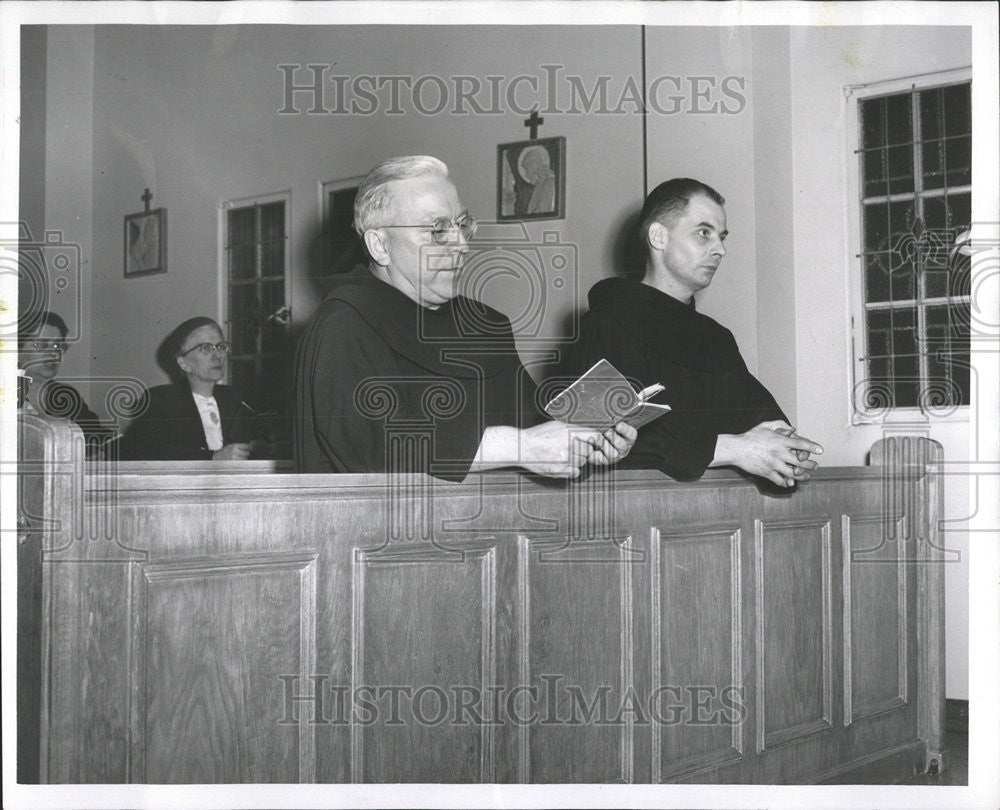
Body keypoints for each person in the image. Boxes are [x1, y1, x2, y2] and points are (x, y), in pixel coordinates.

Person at [295, 155, 635, 481]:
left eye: (461, 224)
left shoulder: (484, 324)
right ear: (379, 245)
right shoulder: (344, 323)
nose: (461, 244)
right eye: (437, 230)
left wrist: (588, 441)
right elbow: (375, 446)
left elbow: (534, 426)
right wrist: (521, 447)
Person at [558, 178, 822, 488]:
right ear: (659, 237)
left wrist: (785, 448)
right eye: (703, 233)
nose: (720, 249)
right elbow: (591, 440)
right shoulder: (607, 323)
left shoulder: (716, 338)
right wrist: (732, 449)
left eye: (721, 237)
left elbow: (760, 420)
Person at [119, 317, 260, 460]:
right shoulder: (161, 401)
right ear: (184, 363)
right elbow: (147, 453)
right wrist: (212, 458)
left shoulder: (236, 397)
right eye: (206, 349)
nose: (218, 356)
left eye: (221, 347)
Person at [18, 310, 114, 456]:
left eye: (57, 346)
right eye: (40, 345)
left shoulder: (66, 395)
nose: (53, 354)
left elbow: (98, 437)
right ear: (17, 350)